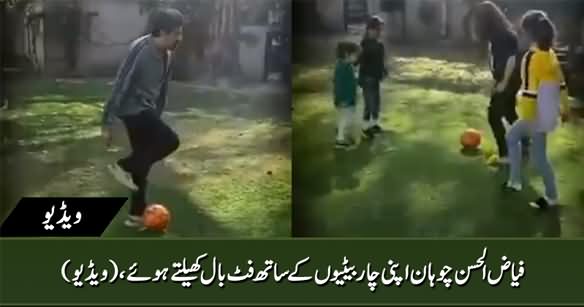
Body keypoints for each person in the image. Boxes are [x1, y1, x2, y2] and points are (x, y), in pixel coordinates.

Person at [101, 8, 184, 228]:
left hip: (147, 110)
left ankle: (136, 216)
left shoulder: (166, 55)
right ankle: (124, 166)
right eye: (176, 33)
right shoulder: (141, 49)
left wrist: (158, 114)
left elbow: (161, 89)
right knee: (170, 141)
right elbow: (122, 83)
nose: (179, 38)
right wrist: (108, 120)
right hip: (133, 110)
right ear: (163, 31)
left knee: (142, 165)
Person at [503, 10, 571, 210]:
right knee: (519, 141)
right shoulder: (550, 55)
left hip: (535, 114)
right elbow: (562, 85)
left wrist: (528, 118)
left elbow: (529, 92)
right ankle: (516, 182)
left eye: (523, 31)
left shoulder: (531, 57)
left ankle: (546, 194)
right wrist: (565, 109)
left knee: (535, 154)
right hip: (547, 113)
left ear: (529, 33)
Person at [473, 1, 523, 164]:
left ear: (486, 19)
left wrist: (503, 82)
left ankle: (506, 155)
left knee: (493, 115)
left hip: (509, 79)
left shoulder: (503, 35)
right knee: (509, 112)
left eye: (478, 19)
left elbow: (511, 59)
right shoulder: (499, 34)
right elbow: (496, 59)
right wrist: (495, 80)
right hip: (508, 78)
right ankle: (526, 145)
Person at [358, 15, 387, 138]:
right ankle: (365, 127)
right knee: (369, 103)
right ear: (370, 30)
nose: (379, 32)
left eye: (380, 30)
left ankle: (374, 124)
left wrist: (383, 71)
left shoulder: (379, 45)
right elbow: (361, 61)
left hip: (375, 78)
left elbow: (380, 62)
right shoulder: (366, 45)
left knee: (376, 102)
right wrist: (360, 77)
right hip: (367, 78)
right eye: (378, 30)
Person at [333, 41, 360, 149]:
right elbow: (338, 85)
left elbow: (351, 81)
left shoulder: (347, 65)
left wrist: (356, 79)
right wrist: (341, 100)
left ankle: (343, 133)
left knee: (348, 118)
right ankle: (340, 139)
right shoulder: (341, 67)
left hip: (349, 99)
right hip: (344, 100)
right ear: (346, 54)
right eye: (355, 55)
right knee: (345, 118)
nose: (356, 57)